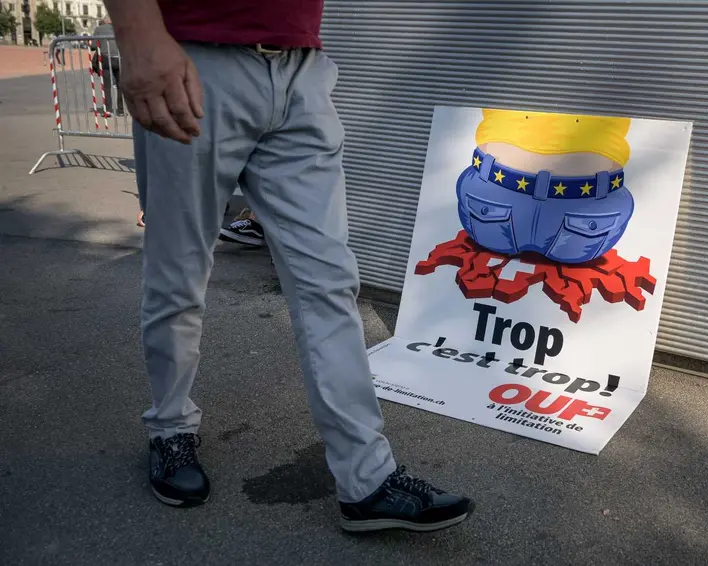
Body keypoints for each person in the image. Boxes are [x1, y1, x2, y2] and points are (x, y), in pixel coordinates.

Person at [105, 0, 474, 533]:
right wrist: (138, 35)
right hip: (194, 59)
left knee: (329, 282)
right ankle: (170, 429)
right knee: (177, 277)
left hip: (301, 68)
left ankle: (367, 480)